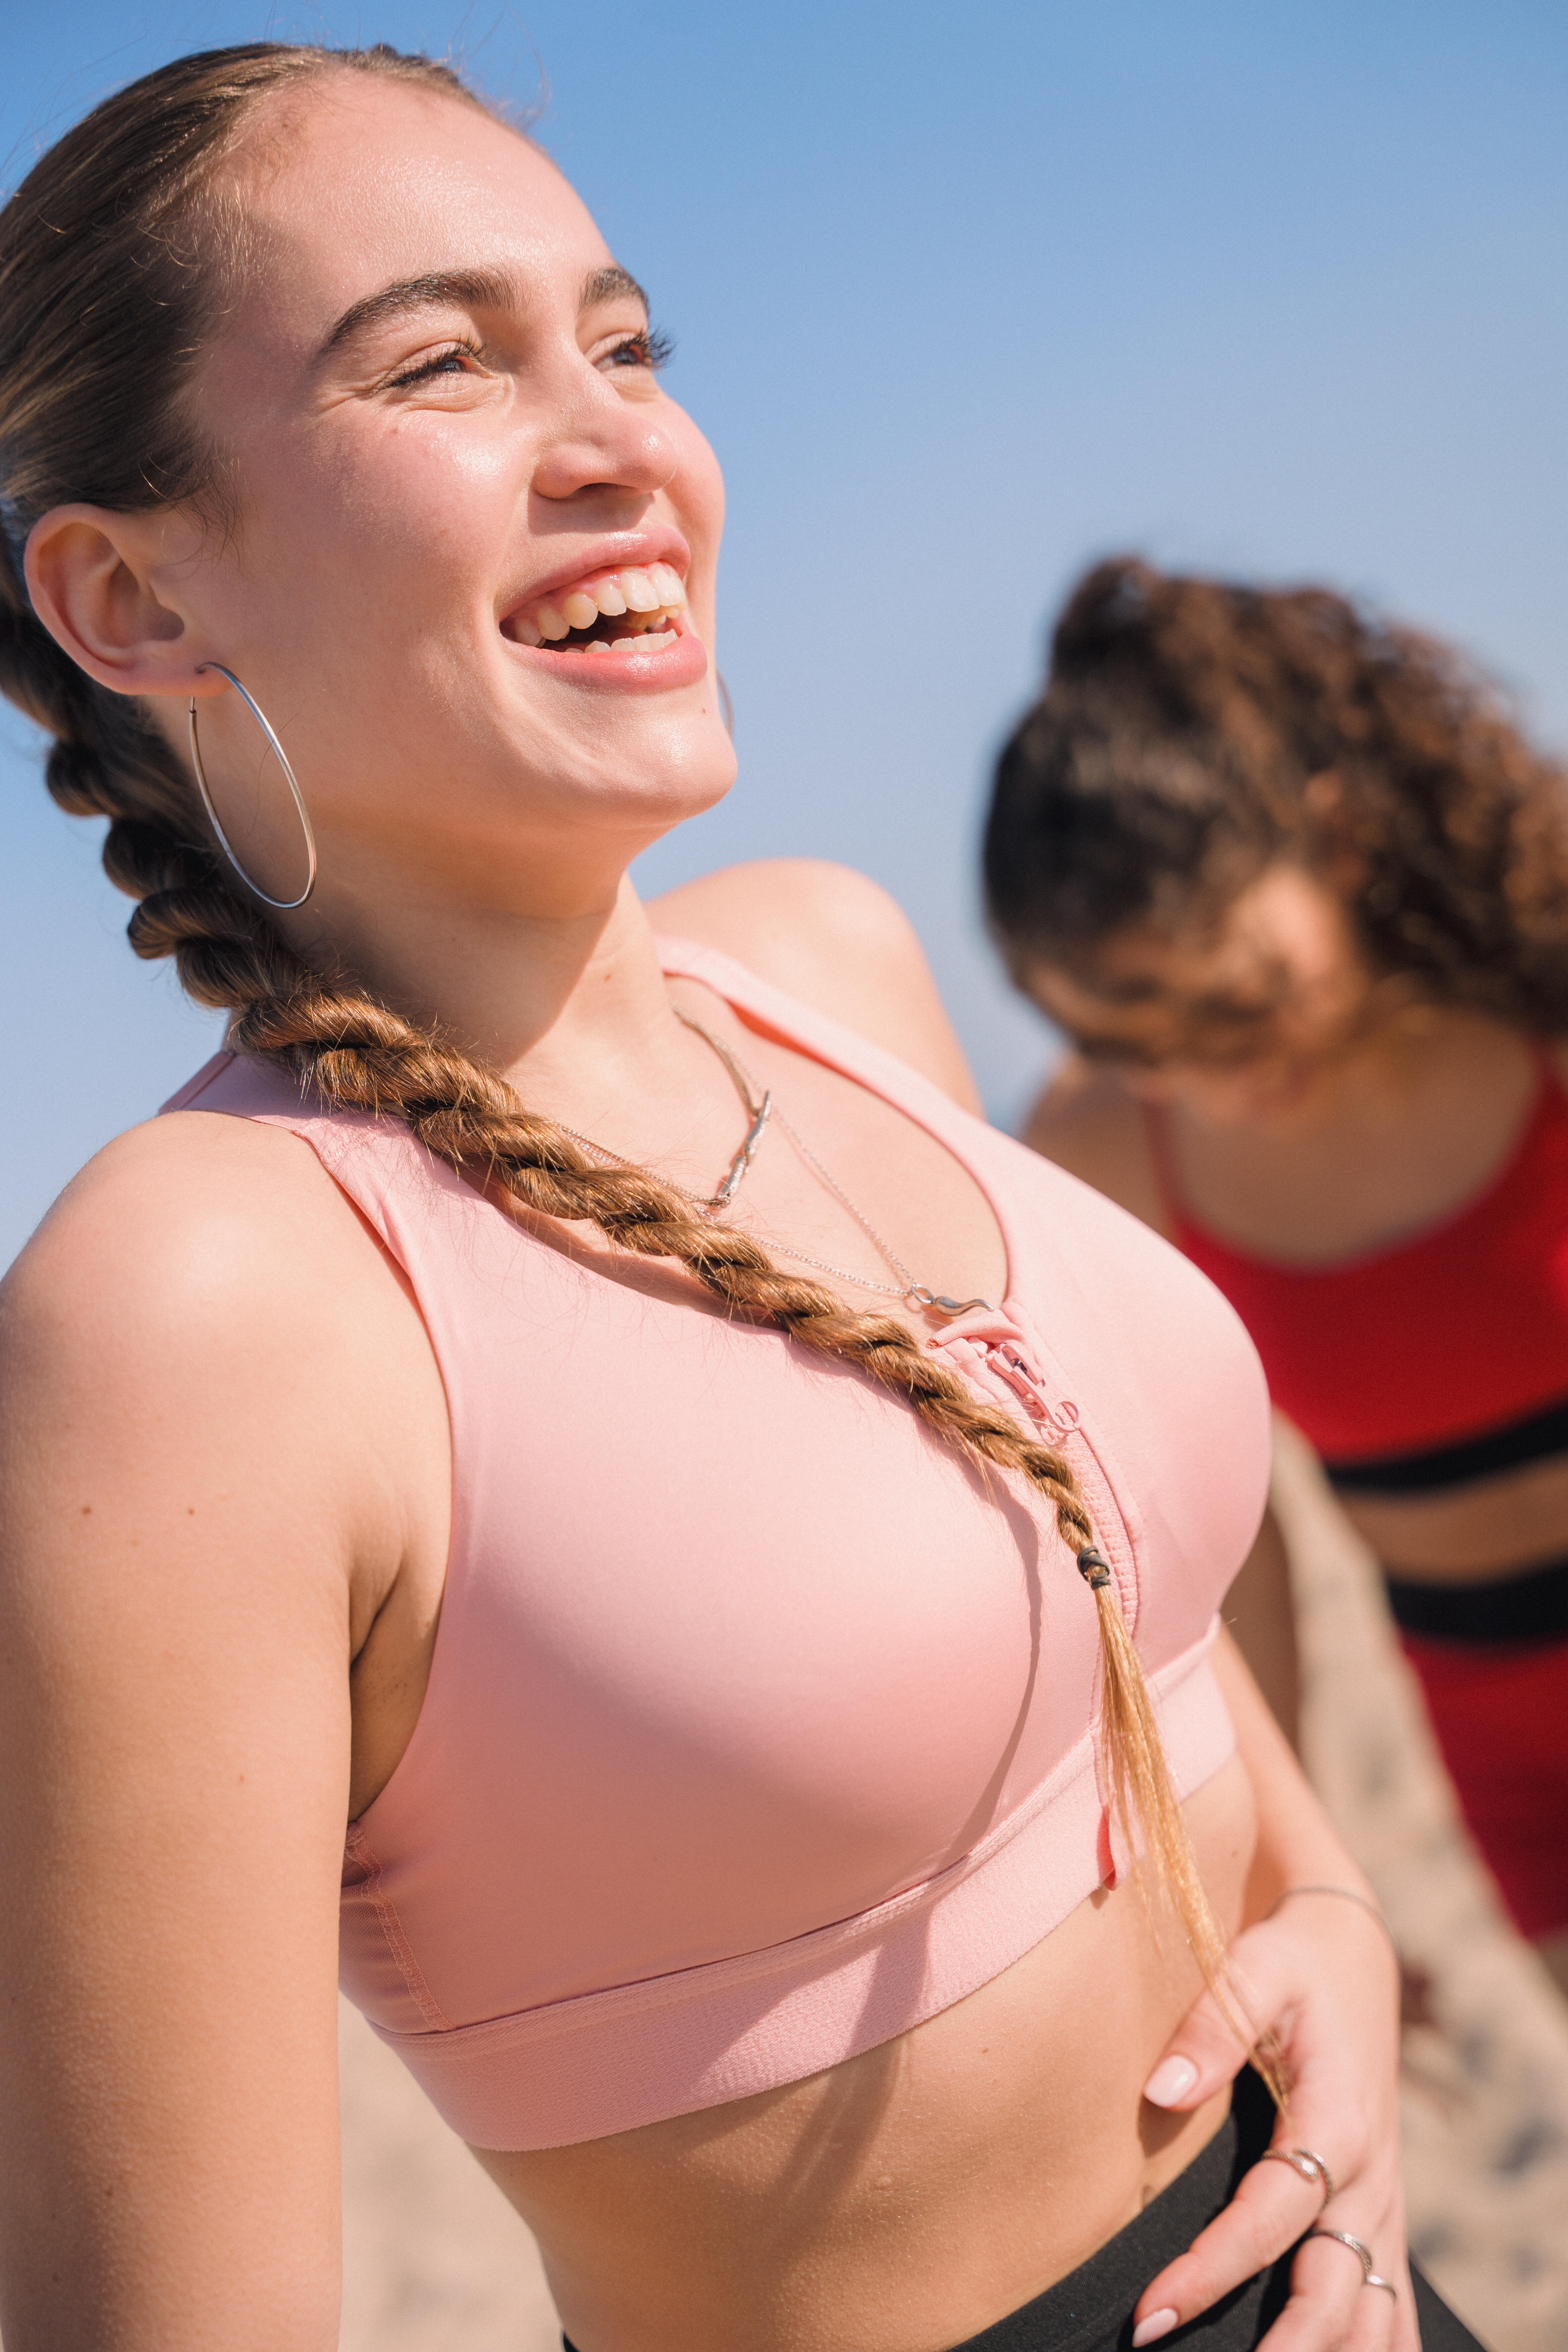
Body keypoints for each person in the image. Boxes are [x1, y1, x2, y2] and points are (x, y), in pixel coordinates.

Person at [0, 48, 1475, 2352]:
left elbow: (1124, 1625)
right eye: (440, 363)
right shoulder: (206, 1303)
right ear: (127, 595)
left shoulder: (826, 967)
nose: (622, 445)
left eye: (621, 340)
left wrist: (1336, 1926)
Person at [987, 554, 1568, 2001]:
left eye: (1236, 1003)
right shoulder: (1106, 1147)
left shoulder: (1543, 990)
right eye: (1134, 1036)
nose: (1211, 1080)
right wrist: (1289, 1875)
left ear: (1341, 840)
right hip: (1510, 1747)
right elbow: (1224, 1550)